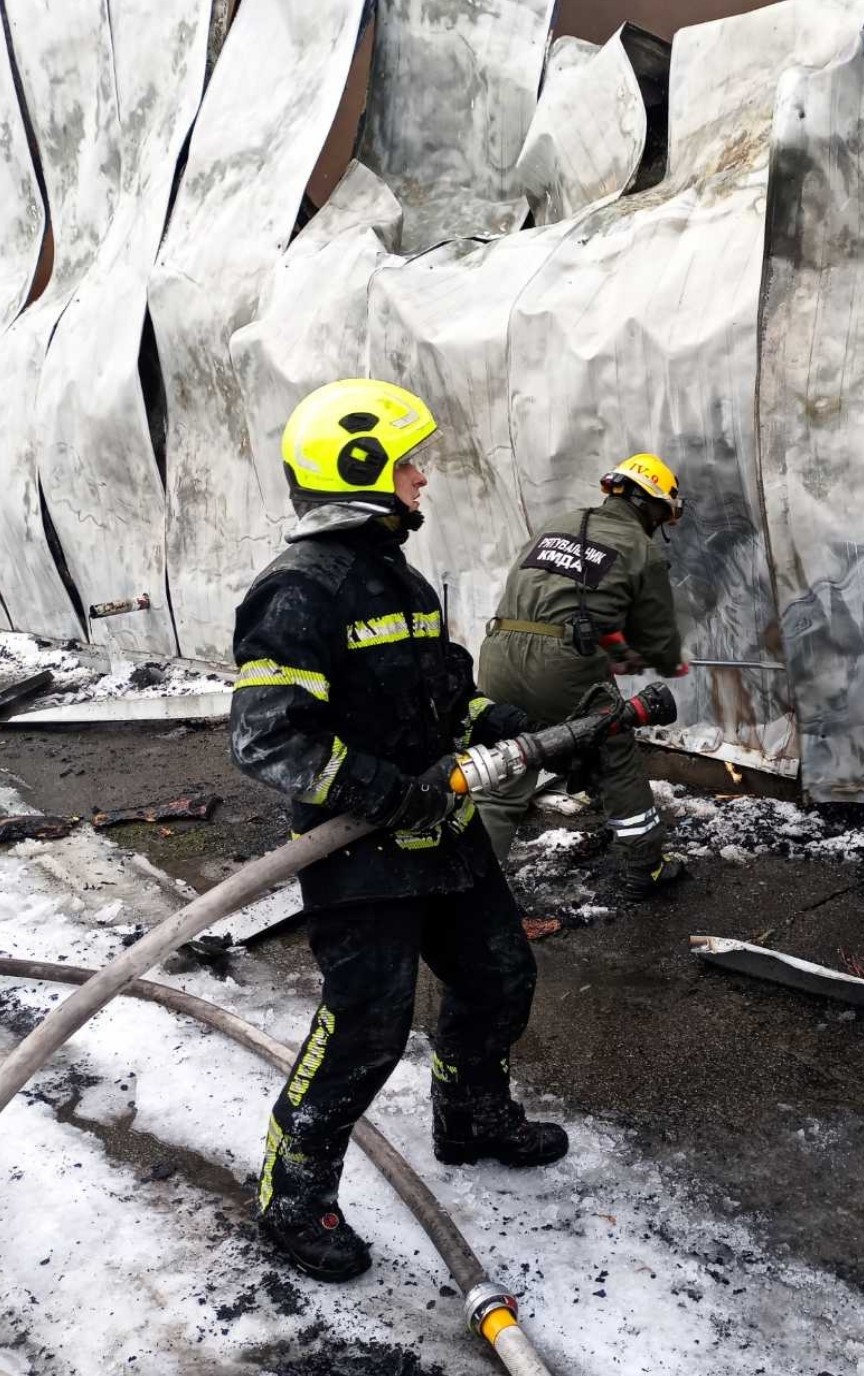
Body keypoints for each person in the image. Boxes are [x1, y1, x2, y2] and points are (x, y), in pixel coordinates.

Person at [229, 378, 568, 1284]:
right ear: (361, 468)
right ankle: (294, 1194)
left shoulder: (402, 578)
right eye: (408, 462)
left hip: (445, 832)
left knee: (500, 976)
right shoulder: (296, 593)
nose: (423, 476)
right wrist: (384, 790)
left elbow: (443, 691)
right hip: (359, 850)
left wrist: (495, 721)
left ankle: (470, 1114)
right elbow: (269, 737)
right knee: (367, 1027)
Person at [475, 453, 689, 897]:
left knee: (502, 775)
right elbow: (654, 637)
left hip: (497, 652)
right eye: (663, 515)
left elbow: (552, 594)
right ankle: (644, 869)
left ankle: (474, 892)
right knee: (614, 749)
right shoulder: (641, 548)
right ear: (653, 507)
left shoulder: (558, 524)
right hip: (562, 663)